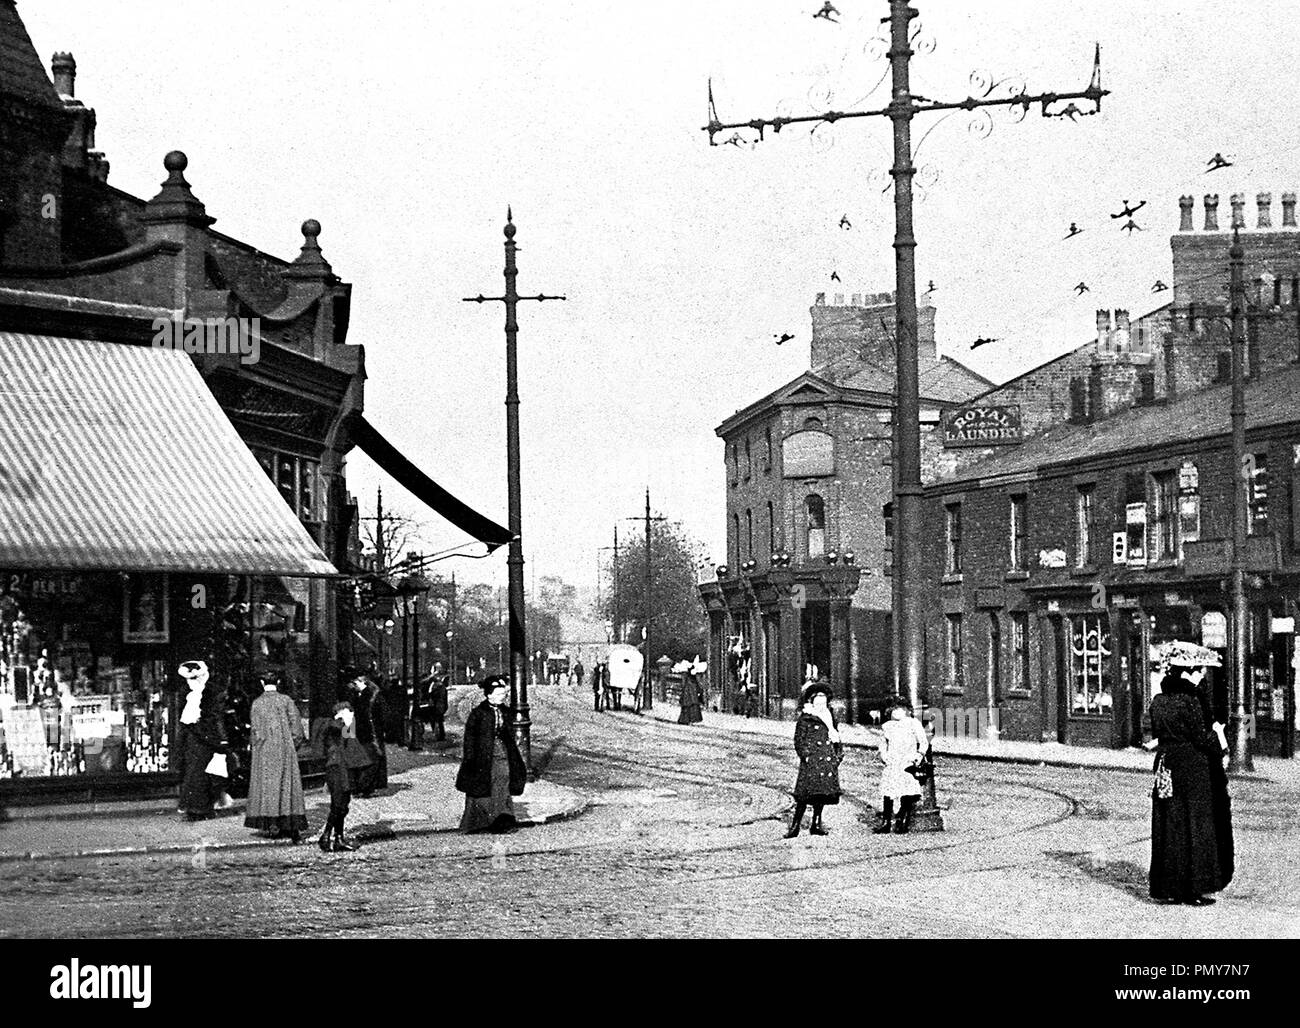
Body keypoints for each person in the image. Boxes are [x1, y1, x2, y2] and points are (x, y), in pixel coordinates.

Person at [1148, 643, 1233, 905]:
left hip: (1167, 764)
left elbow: (1158, 733)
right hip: (1193, 768)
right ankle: (1193, 887)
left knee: (1170, 824)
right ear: (1188, 673)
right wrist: (1220, 740)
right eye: (1198, 672)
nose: (1200, 677)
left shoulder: (1158, 701)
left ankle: (1169, 885)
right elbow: (1201, 737)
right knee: (1195, 825)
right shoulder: (1191, 701)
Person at [456, 675, 527, 833]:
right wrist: (469, 758)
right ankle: (480, 822)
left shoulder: (505, 711)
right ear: (489, 695)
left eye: (504, 694)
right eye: (501, 694)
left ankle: (501, 820)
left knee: (503, 779)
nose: (504, 697)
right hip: (482, 756)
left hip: (502, 752)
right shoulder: (479, 713)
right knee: (482, 787)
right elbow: (470, 738)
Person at [244, 672, 308, 843]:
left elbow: (255, 732)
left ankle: (272, 825)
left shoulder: (257, 703)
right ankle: (292, 826)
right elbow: (297, 728)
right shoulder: (286, 700)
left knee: (267, 787)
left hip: (264, 751)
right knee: (288, 786)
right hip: (285, 748)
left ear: (261, 682)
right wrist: (292, 745)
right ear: (278, 682)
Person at [175, 661, 231, 821]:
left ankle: (201, 807)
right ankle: (197, 808)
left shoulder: (209, 692)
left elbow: (214, 716)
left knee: (205, 774)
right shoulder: (188, 692)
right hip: (196, 738)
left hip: (205, 737)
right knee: (197, 774)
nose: (191, 681)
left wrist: (218, 738)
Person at [785, 682, 843, 838]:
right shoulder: (806, 718)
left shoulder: (830, 717)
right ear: (811, 701)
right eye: (817, 699)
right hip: (812, 760)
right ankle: (795, 826)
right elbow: (799, 740)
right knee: (804, 795)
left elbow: (836, 736)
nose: (820, 702)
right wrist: (806, 755)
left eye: (823, 699)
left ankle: (816, 824)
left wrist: (838, 755)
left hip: (827, 759)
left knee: (821, 794)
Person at [318, 701, 371, 852]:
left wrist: (349, 724)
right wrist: (344, 721)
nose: (352, 715)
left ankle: (338, 838)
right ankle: (326, 836)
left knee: (343, 804)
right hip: (336, 769)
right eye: (349, 712)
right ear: (341, 712)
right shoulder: (333, 726)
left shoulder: (345, 727)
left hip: (345, 770)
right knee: (338, 804)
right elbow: (334, 728)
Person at [875, 696, 928, 834]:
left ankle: (902, 821)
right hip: (893, 761)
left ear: (906, 710)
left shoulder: (913, 723)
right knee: (889, 791)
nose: (896, 712)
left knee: (907, 792)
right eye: (893, 710)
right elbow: (883, 743)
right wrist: (884, 756)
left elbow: (923, 742)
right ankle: (886, 822)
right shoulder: (888, 726)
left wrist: (918, 755)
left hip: (907, 761)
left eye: (900, 709)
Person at [346, 671, 388, 796]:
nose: (354, 684)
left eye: (356, 682)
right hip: (363, 731)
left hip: (369, 731)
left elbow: (379, 714)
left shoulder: (370, 695)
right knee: (368, 758)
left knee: (371, 759)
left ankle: (366, 787)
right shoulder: (361, 695)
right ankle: (365, 787)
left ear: (363, 682)